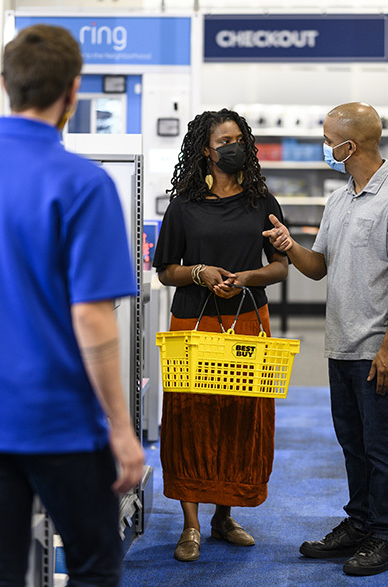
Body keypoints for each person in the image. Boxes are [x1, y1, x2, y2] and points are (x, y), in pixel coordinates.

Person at [0, 24, 144, 587]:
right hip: (62, 421)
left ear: (3, 84)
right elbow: (91, 316)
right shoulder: (84, 183)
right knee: (94, 566)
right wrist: (122, 429)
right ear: (73, 91)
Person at [263, 102, 388, 577]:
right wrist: (290, 247)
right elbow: (319, 268)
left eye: (329, 139)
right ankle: (358, 524)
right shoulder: (338, 200)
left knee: (381, 446)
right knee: (352, 444)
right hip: (341, 346)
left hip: (379, 350)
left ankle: (383, 537)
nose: (325, 147)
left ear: (349, 145)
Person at [153, 108, 289, 562]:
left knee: (239, 414)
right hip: (194, 323)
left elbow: (280, 265)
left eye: (238, 139)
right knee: (192, 417)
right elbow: (166, 270)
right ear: (205, 151)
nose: (233, 147)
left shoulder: (261, 202)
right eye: (223, 141)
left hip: (248, 321)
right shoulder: (183, 206)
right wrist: (200, 273)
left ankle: (223, 515)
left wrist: (247, 277)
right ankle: (190, 525)